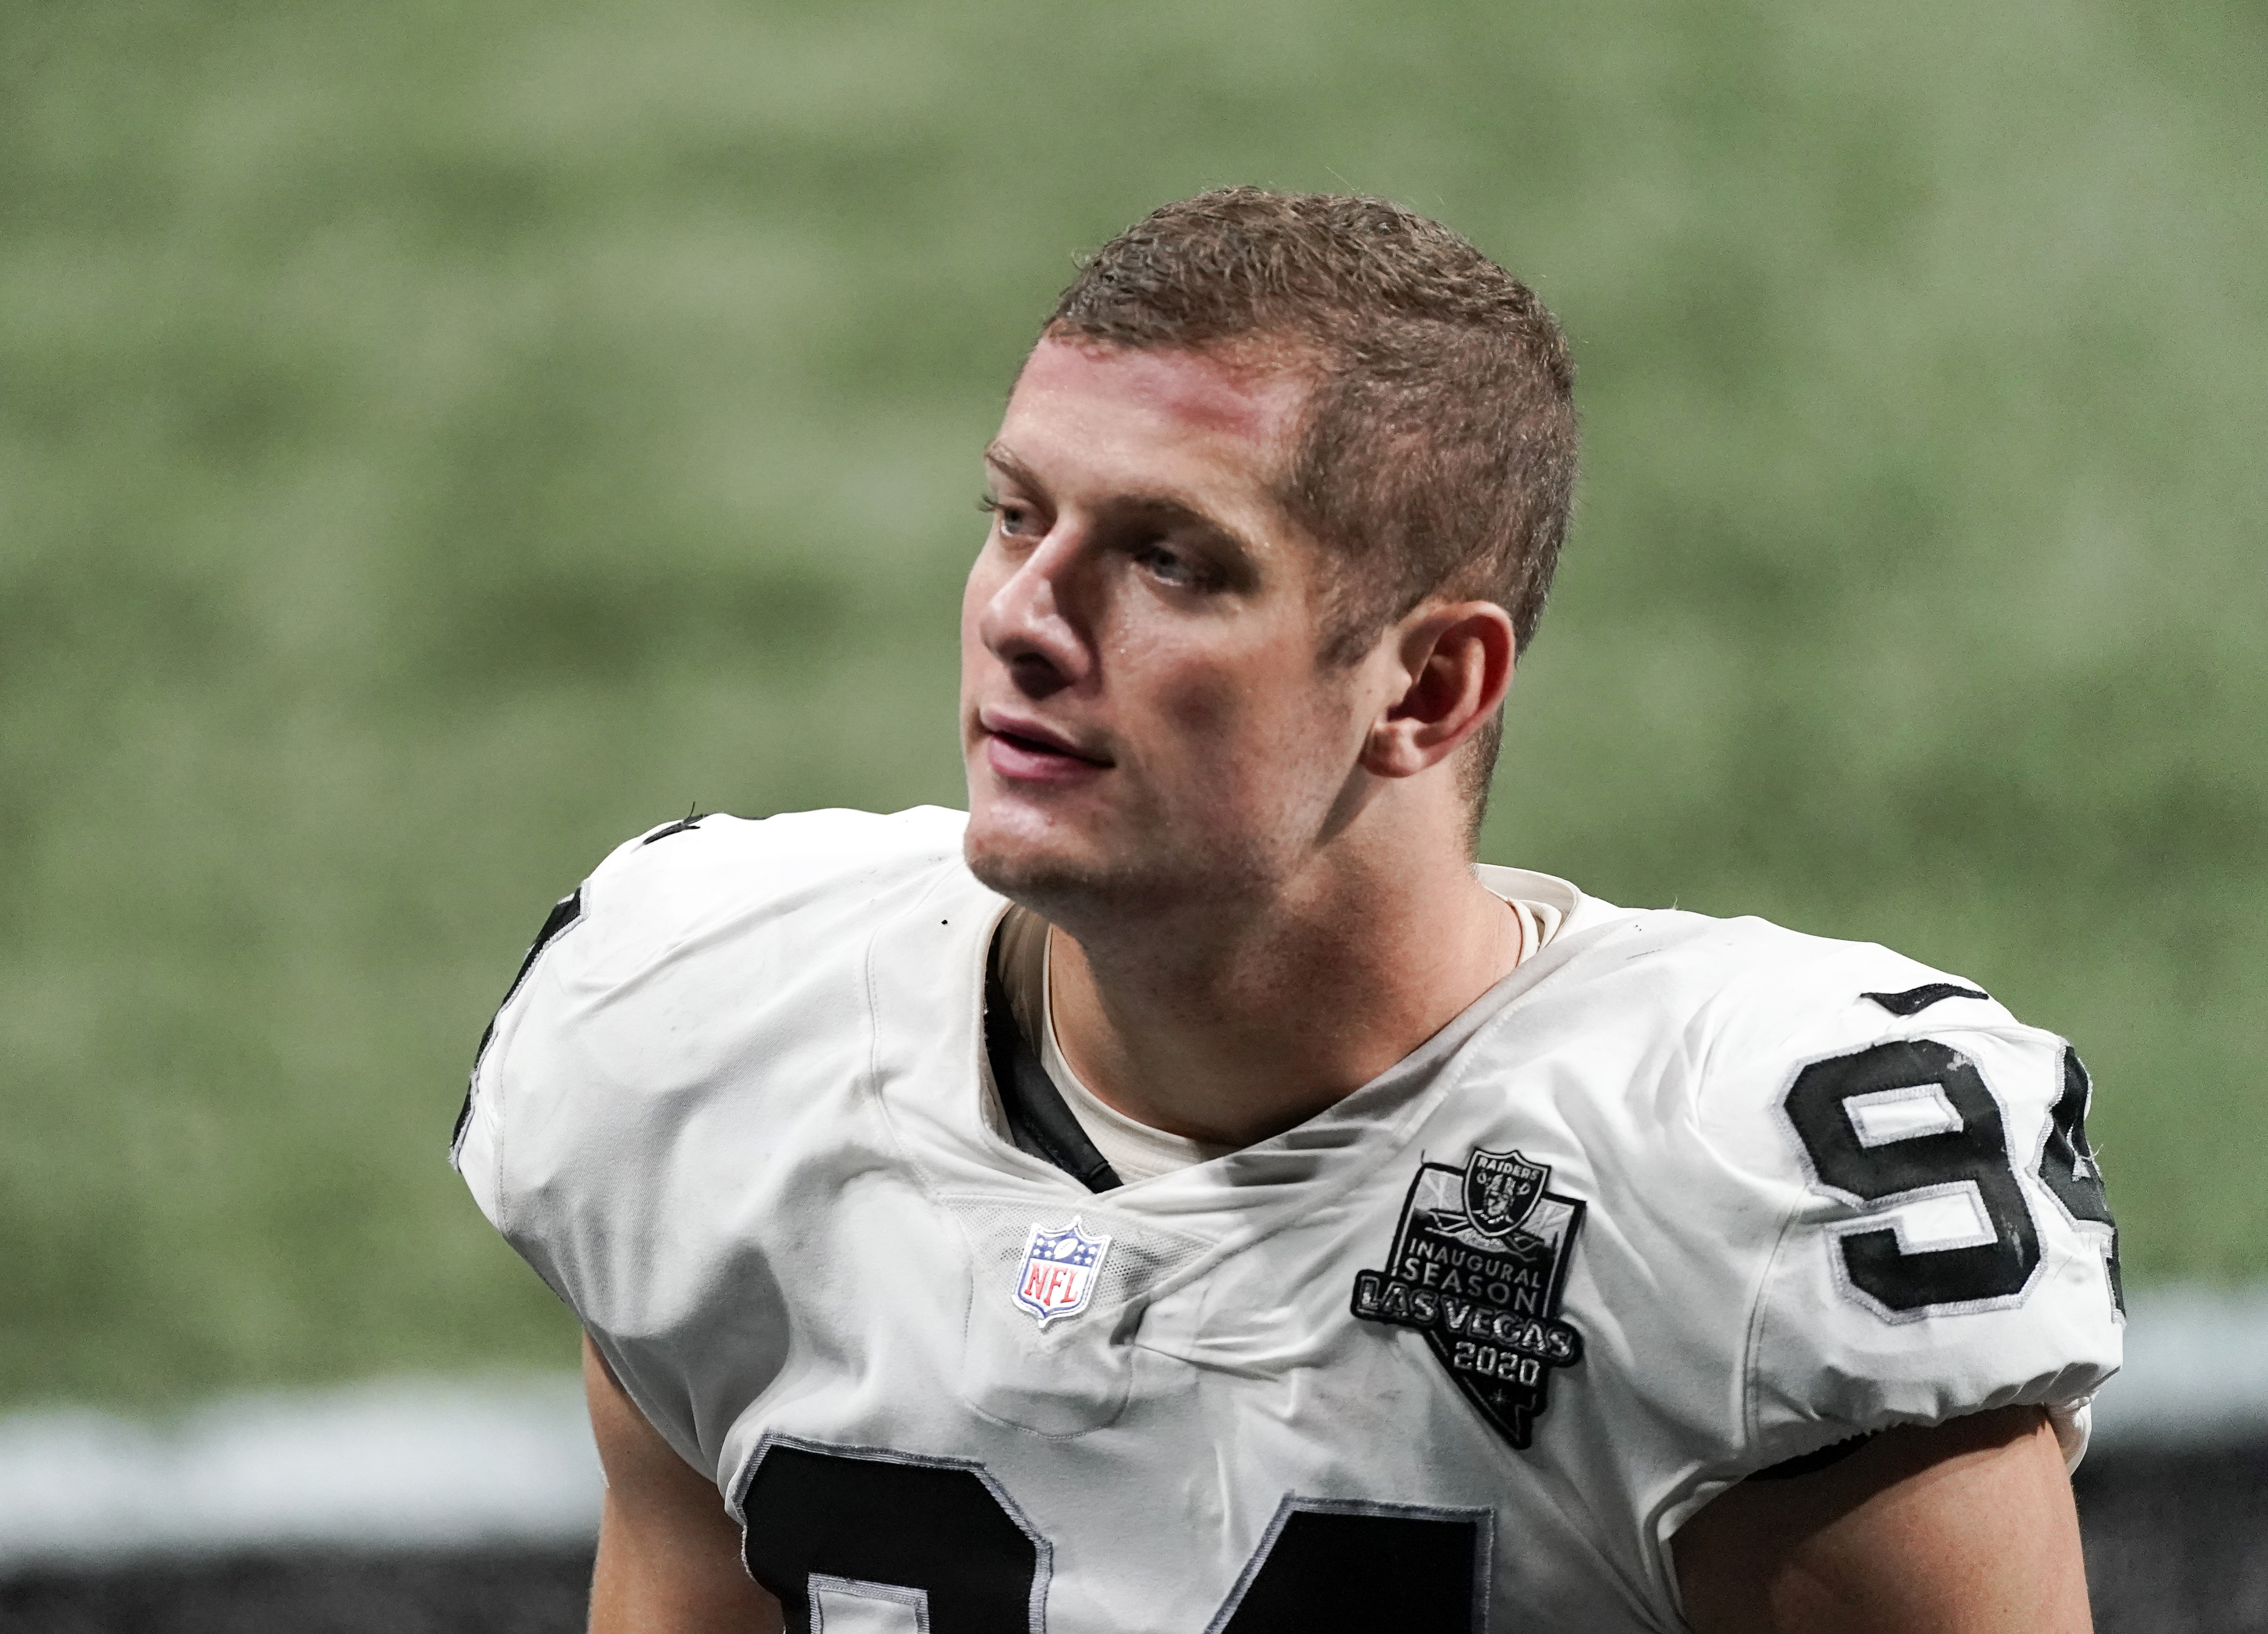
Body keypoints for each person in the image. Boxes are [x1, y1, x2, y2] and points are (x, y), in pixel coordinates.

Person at [453, 189, 2122, 1633]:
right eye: (1016, 517)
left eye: (1173, 558)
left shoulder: (1752, 1200)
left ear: (1429, 685)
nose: (1026, 617)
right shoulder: (712, 1029)